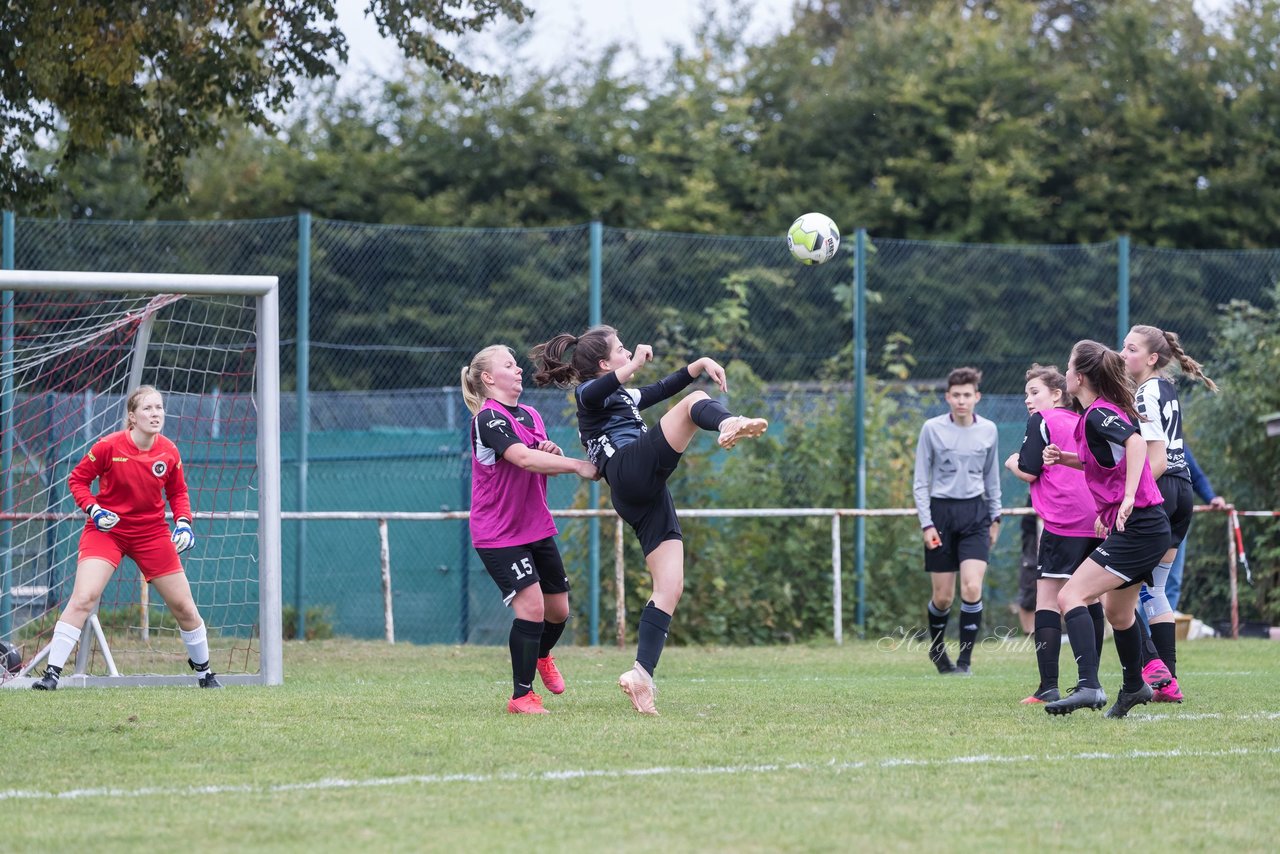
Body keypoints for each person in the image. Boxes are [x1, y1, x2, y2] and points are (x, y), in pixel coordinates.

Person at [530, 326, 768, 715]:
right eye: (621, 350)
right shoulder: (589, 396)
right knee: (695, 404)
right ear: (606, 364)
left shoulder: (622, 394)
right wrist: (634, 364)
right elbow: (596, 390)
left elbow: (662, 387)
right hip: (627, 470)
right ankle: (727, 423)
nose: (629, 353)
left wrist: (700, 363)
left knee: (670, 586)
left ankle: (642, 675)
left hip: (643, 491)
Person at [32, 386, 220, 690]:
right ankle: (51, 675)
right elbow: (78, 479)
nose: (155, 413)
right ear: (132, 416)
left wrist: (184, 523)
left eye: (159, 407)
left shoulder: (169, 451)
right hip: (108, 532)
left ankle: (205, 675)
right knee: (84, 598)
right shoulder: (108, 446)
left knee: (185, 607)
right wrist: (93, 510)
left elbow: (178, 492)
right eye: (147, 408)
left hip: (152, 534)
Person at [461, 345, 600, 715]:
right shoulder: (487, 419)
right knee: (532, 607)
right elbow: (521, 457)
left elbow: (535, 456)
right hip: (499, 533)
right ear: (488, 378)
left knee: (558, 610)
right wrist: (575, 465)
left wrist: (551, 453)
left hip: (535, 527)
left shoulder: (532, 414)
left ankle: (540, 654)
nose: (519, 369)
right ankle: (521, 696)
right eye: (508, 365)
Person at [1042, 340, 1171, 718]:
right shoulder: (1091, 418)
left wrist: (1128, 497)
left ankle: (1089, 687)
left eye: (1067, 367)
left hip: (1142, 525)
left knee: (1070, 597)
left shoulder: (1099, 413)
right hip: (1142, 526)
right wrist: (1065, 458)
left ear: (1079, 377)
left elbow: (1133, 443)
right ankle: (1134, 686)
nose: (1064, 373)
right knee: (1119, 614)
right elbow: (1104, 463)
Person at [1122, 324, 1218, 703]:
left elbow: (1155, 457)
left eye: (1131, 349)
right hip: (1183, 491)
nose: (1123, 353)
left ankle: (1150, 667)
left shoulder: (1145, 393)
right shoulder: (1166, 387)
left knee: (1116, 586)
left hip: (1161, 489)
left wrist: (1130, 495)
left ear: (1151, 359)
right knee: (1154, 589)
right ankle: (1169, 683)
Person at [1004, 364, 1102, 705]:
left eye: (1035, 393)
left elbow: (1030, 472)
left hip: (1064, 523)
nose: (1029, 401)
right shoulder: (1083, 420)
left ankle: (1049, 687)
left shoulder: (1043, 421)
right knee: (1089, 598)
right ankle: (1091, 681)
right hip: (1097, 521)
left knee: (1047, 601)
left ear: (1057, 394)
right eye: (1026, 395)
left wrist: (1013, 462)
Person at [912, 366, 1002, 676]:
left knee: (973, 586)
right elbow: (921, 482)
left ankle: (964, 662)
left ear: (977, 397)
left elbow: (992, 479)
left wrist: (996, 518)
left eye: (967, 395)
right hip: (941, 515)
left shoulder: (989, 430)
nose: (961, 401)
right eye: (956, 395)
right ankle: (937, 650)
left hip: (976, 515)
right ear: (948, 397)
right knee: (943, 596)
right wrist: (927, 524)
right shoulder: (931, 429)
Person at [1167, 444, 1229, 611]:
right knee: (1148, 580)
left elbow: (1197, 477)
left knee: (1173, 581)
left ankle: (1160, 632)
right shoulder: (1145, 441)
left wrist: (1211, 498)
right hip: (1152, 522)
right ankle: (1143, 633)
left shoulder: (1180, 447)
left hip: (1178, 524)